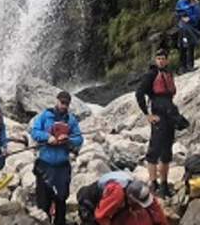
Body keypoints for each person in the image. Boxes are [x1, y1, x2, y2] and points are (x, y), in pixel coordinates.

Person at [134, 48, 185, 196]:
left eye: (163, 58)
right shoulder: (151, 75)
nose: (161, 61)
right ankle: (153, 182)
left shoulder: (168, 73)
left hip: (169, 114)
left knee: (167, 150)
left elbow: (170, 94)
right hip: (158, 114)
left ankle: (164, 184)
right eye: (158, 58)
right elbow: (139, 93)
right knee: (154, 150)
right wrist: (147, 114)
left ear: (167, 60)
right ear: (155, 60)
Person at [30, 90, 85, 225]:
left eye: (66, 104)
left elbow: (79, 138)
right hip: (45, 164)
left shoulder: (71, 120)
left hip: (62, 165)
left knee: (61, 199)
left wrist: (68, 140)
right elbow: (34, 131)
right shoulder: (45, 115)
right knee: (43, 201)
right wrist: (47, 137)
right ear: (57, 101)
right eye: (62, 103)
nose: (64, 106)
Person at [92, 177, 169, 225]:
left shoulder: (141, 190)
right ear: (131, 199)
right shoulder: (116, 196)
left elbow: (155, 208)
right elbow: (100, 217)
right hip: (93, 202)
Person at [172, 0, 200, 71]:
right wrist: (181, 17)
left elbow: (198, 16)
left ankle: (190, 65)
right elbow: (176, 13)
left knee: (190, 45)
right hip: (182, 26)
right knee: (182, 46)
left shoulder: (195, 2)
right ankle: (182, 67)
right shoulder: (180, 2)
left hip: (191, 26)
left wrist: (189, 18)